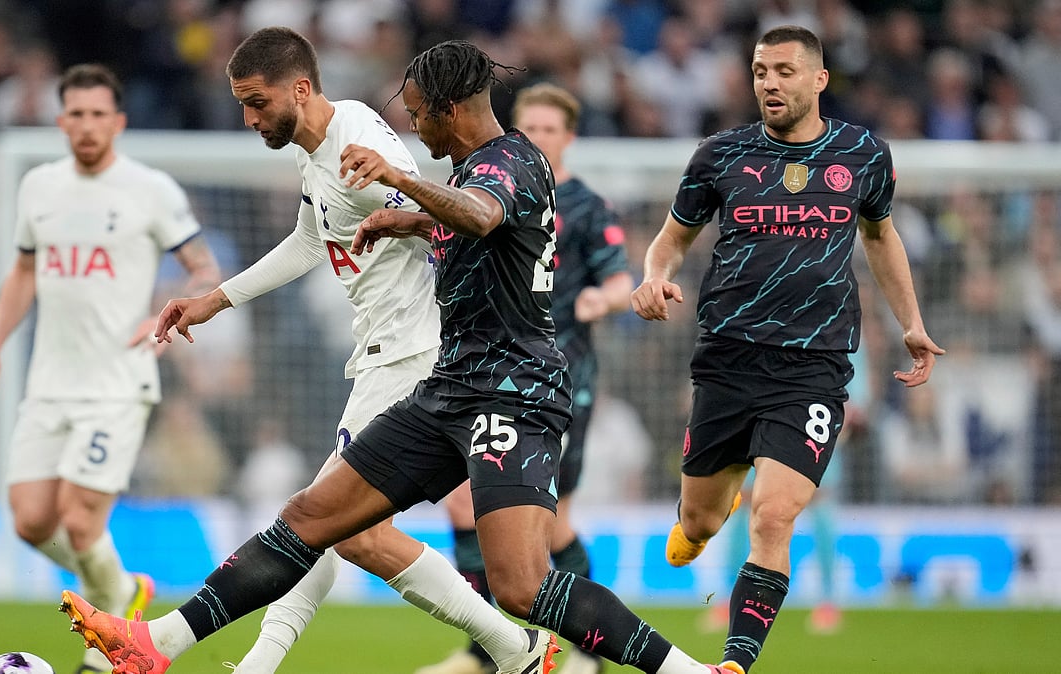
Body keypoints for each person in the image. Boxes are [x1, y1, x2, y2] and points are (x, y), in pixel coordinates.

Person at [60, 39, 735, 674]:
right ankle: (157, 645)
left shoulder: (508, 163)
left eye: (419, 117)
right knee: (314, 517)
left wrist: (399, 187)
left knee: (523, 586)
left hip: (511, 390)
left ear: (451, 110)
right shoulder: (468, 167)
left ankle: (660, 667)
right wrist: (407, 219)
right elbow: (460, 224)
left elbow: (479, 215)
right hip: (450, 388)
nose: (416, 134)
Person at [124, 26, 561, 674]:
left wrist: (410, 206)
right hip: (379, 351)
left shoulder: (357, 136)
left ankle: (215, 655)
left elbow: (438, 211)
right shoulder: (316, 153)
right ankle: (512, 647)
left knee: (327, 520)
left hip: (413, 350)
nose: (247, 118)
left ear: (299, 89)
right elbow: (308, 241)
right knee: (335, 525)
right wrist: (215, 299)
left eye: (256, 102)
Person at [630, 25, 946, 674]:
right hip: (728, 357)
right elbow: (671, 240)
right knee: (702, 520)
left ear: (819, 80)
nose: (769, 83)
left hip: (814, 367)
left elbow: (881, 238)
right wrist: (653, 275)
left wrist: (910, 320)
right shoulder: (720, 155)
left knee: (775, 517)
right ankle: (698, 522)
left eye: (783, 71)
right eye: (759, 71)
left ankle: (736, 661)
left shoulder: (863, 155)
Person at [0, 63, 222, 674]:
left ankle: (110, 632)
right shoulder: (39, 188)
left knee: (82, 520)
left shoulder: (150, 189)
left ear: (118, 122)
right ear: (61, 122)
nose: (86, 125)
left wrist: (170, 314)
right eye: (75, 115)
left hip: (118, 381)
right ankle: (124, 591)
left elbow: (205, 269)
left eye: (97, 114)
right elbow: (24, 272)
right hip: (49, 382)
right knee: (31, 521)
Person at [419, 82, 634, 674]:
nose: (537, 138)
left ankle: (590, 652)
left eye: (549, 130)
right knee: (464, 506)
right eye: (529, 128)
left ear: (568, 137)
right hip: (487, 375)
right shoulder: (485, 190)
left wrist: (601, 300)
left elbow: (620, 278)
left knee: (552, 522)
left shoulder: (587, 207)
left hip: (556, 380)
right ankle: (486, 649)